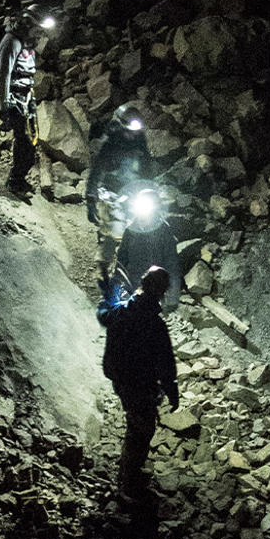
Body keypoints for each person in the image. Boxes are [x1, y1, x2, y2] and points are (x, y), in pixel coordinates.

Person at [97, 265, 179, 502]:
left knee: (137, 427)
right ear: (161, 293)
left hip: (123, 382)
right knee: (142, 431)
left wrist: (107, 292)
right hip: (140, 385)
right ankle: (127, 485)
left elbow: (105, 319)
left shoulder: (121, 312)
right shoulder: (154, 324)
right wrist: (172, 392)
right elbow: (165, 361)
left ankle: (128, 476)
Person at [85, 102, 155, 281]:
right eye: (130, 130)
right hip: (111, 192)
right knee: (114, 231)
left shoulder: (140, 141)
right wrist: (91, 198)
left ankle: (132, 271)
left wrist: (152, 189)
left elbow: (147, 168)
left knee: (142, 229)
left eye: (136, 130)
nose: (133, 134)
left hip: (132, 192)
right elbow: (96, 171)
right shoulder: (111, 142)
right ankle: (103, 265)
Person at [0, 5, 50, 199]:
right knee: (24, 140)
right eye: (38, 29)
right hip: (15, 98)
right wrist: (4, 106)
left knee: (31, 140)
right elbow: (4, 75)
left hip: (27, 95)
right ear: (29, 23)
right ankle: (14, 181)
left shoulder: (28, 41)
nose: (40, 33)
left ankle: (19, 177)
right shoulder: (11, 41)